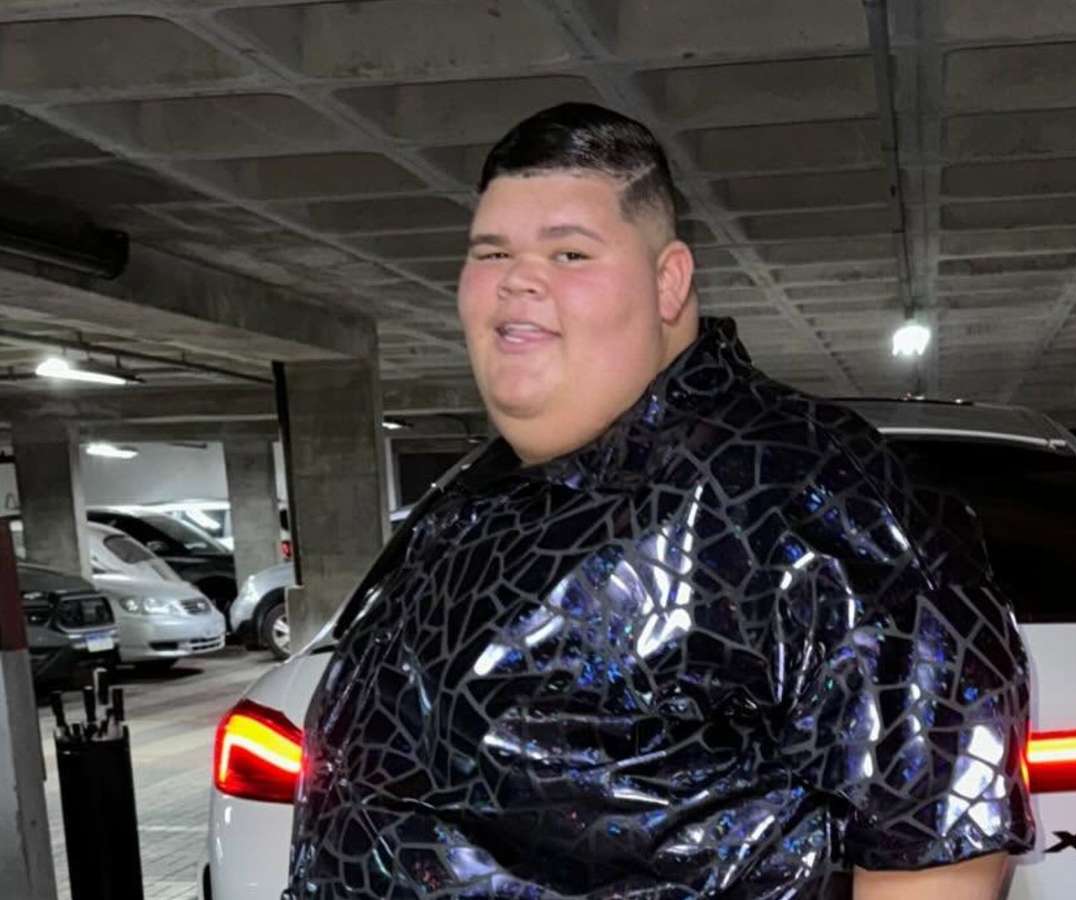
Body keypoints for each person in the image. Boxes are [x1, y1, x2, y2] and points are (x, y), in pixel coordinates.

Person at [285, 103, 1034, 899]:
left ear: (669, 281)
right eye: (491, 252)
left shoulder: (811, 489)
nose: (517, 279)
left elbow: (934, 850)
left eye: (569, 253)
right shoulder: (473, 499)